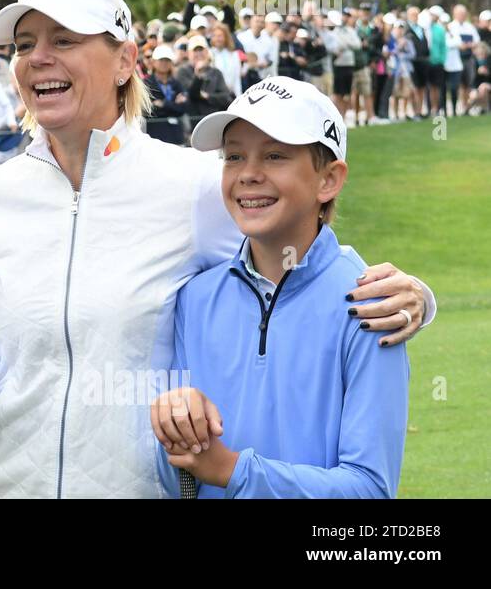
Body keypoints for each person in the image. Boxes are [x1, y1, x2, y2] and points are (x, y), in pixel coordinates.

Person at [0, 0, 436, 498]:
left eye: (65, 39)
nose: (39, 58)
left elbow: (295, 256)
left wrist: (416, 296)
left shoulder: (194, 185)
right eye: (24, 44)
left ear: (124, 60)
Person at [152, 77, 407, 498]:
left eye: (274, 156)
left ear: (328, 180)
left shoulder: (372, 305)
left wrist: (233, 471)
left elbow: (370, 488)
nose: (249, 174)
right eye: (234, 156)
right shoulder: (196, 299)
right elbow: (177, 476)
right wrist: (175, 436)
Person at [175, 36, 233, 118]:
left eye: (201, 50)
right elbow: (192, 94)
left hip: (213, 118)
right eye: (195, 50)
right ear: (188, 53)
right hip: (192, 120)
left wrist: (207, 96)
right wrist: (198, 74)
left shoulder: (215, 72)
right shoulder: (182, 71)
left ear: (206, 52)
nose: (199, 54)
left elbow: (226, 97)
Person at [143, 43, 186, 145]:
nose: (164, 63)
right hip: (155, 135)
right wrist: (173, 105)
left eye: (167, 60)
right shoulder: (146, 83)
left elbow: (183, 108)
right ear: (153, 62)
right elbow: (150, 110)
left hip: (176, 134)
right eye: (161, 60)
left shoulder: (176, 83)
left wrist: (163, 104)